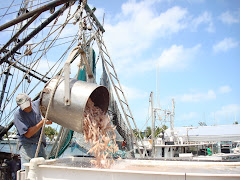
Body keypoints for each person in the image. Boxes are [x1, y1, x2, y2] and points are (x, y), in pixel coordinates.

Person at [14, 93, 52, 169]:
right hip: (27, 147)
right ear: (18, 106)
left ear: (30, 100)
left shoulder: (37, 104)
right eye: (23, 106)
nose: (26, 108)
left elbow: (48, 97)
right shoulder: (18, 115)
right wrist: (42, 122)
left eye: (27, 104)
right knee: (28, 171)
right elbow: (28, 134)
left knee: (44, 170)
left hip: (40, 145)